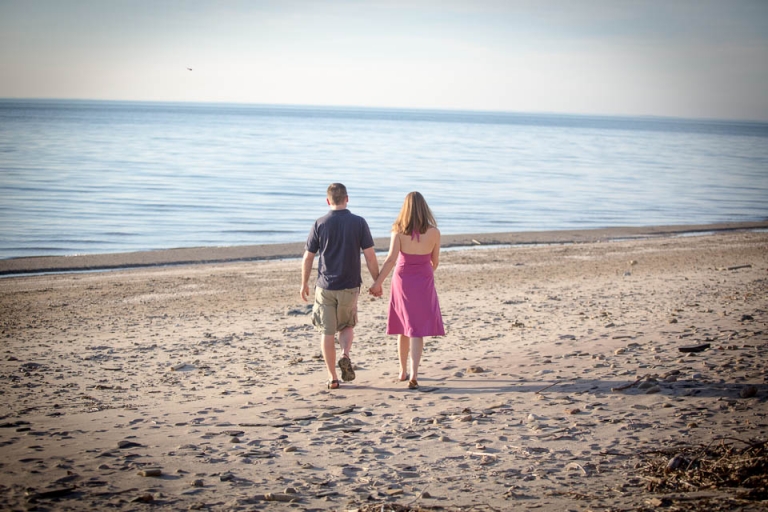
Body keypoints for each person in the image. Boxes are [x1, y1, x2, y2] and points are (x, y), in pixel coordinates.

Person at [301, 183, 380, 390]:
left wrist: (304, 284)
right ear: (347, 198)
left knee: (327, 332)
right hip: (349, 286)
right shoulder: (359, 222)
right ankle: (345, 354)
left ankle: (332, 378)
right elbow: (370, 256)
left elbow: (308, 257)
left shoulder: (320, 223)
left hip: (325, 286)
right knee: (346, 325)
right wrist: (377, 282)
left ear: (328, 201)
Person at [369, 191, 444, 390]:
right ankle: (415, 374)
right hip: (424, 280)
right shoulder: (434, 232)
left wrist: (378, 283)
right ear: (424, 208)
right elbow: (434, 261)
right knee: (417, 329)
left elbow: (391, 259)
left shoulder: (398, 231)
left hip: (402, 280)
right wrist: (424, 272)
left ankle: (402, 371)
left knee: (403, 326)